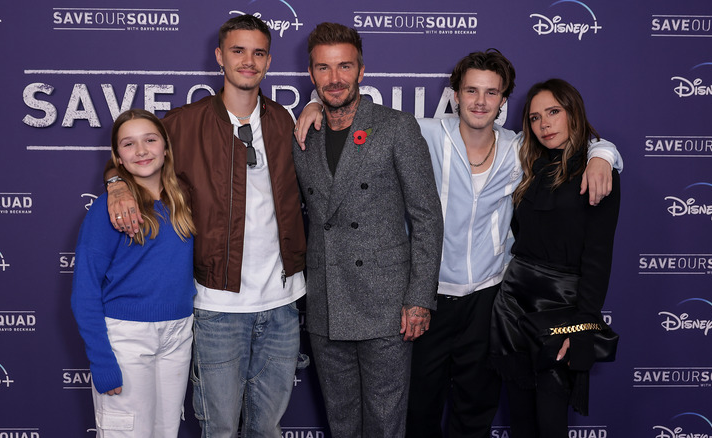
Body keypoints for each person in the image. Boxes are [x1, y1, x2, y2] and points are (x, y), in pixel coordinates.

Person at [295, 50, 622, 438]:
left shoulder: (520, 149)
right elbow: (357, 117)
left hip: (490, 300)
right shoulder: (420, 132)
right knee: (419, 410)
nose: (480, 101)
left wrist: (603, 153)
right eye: (471, 90)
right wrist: (316, 104)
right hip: (426, 297)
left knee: (475, 412)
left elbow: (579, 146)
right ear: (455, 95)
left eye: (491, 92)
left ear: (503, 101)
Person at [104, 15, 307, 438]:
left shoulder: (285, 121)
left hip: (283, 303)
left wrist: (318, 105)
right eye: (238, 51)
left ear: (268, 61)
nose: (248, 61)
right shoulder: (181, 124)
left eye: (258, 53)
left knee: (267, 427)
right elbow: (136, 156)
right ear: (219, 57)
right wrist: (116, 182)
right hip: (218, 306)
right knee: (219, 430)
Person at [292, 22, 444, 437]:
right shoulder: (302, 133)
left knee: (384, 422)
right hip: (326, 301)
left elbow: (428, 217)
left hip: (387, 305)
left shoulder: (396, 127)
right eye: (323, 68)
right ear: (311, 74)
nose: (335, 78)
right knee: (340, 420)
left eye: (345, 67)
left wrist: (418, 299)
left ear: (362, 70)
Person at [489, 78, 621, 438]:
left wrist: (583, 326)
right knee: (522, 421)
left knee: (550, 422)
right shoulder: (526, 164)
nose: (544, 124)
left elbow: (598, 256)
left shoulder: (597, 171)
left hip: (561, 307)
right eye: (534, 117)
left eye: (553, 112)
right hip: (513, 303)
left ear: (572, 113)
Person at [72, 109, 197, 437]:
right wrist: (101, 360)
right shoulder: (108, 210)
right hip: (127, 338)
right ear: (118, 158)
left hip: (178, 334)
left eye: (150, 140)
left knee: (165, 431)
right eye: (129, 144)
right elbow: (84, 291)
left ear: (166, 147)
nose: (141, 150)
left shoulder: (182, 200)